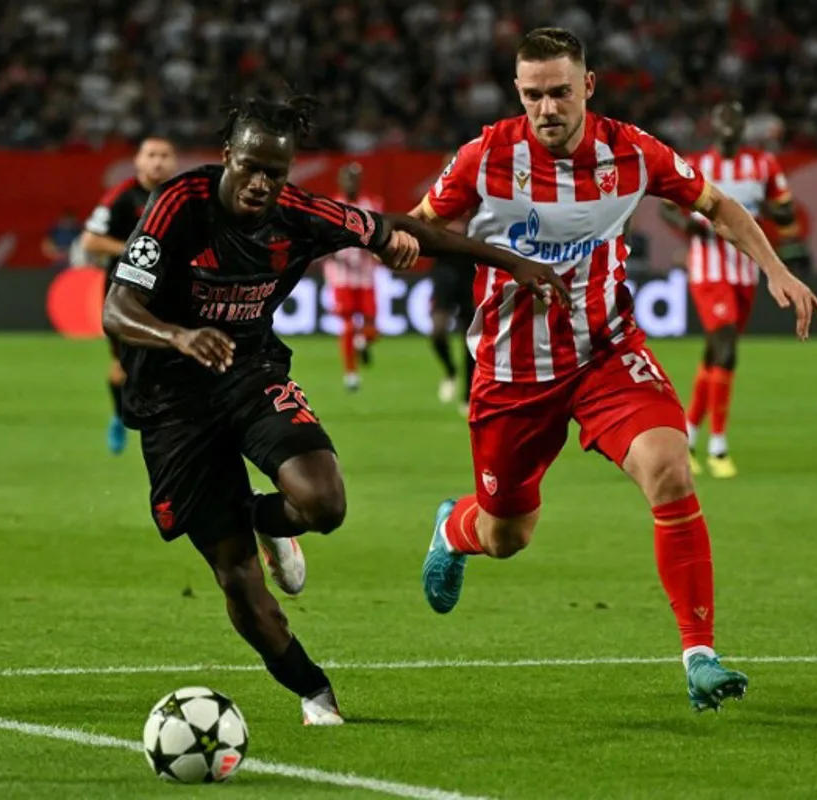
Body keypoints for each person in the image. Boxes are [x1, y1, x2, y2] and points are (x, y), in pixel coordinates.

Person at [102, 94, 564, 725]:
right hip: (170, 401)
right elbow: (117, 308)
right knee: (236, 576)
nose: (263, 184)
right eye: (251, 167)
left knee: (325, 503)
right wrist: (178, 336)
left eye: (277, 172)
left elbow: (407, 228)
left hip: (250, 373)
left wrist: (511, 263)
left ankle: (264, 520)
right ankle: (313, 689)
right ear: (226, 157)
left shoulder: (298, 214)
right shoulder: (180, 204)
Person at [409, 29, 817, 712]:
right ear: (519, 92)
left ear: (588, 86)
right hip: (512, 374)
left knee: (670, 467)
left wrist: (774, 269)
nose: (548, 107)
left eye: (560, 92)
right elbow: (421, 223)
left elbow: (716, 205)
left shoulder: (630, 151)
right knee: (507, 535)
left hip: (606, 351)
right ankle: (456, 526)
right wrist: (395, 242)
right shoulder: (485, 157)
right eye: (534, 93)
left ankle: (700, 655)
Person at [659, 102, 810, 478]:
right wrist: (687, 225)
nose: (729, 126)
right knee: (726, 346)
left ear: (743, 127)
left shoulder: (763, 166)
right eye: (723, 119)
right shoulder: (696, 163)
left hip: (746, 270)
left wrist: (769, 213)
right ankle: (719, 448)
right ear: (714, 126)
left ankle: (688, 438)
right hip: (708, 270)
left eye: (735, 120)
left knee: (715, 354)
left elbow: (785, 211)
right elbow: (665, 206)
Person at [80, 136, 178, 454]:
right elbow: (91, 241)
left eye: (164, 155)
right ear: (137, 161)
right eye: (151, 155)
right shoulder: (122, 197)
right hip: (123, 296)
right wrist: (136, 253)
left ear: (174, 162)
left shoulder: (181, 198)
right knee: (123, 366)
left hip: (169, 293)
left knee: (175, 359)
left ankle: (173, 425)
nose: (158, 162)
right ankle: (118, 417)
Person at [318, 163, 383, 391]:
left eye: (354, 179)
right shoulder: (332, 207)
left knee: (372, 325)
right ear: (340, 181)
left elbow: (382, 237)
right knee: (346, 324)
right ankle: (351, 374)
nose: (351, 183)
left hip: (366, 275)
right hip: (340, 277)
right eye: (347, 178)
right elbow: (322, 241)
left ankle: (362, 342)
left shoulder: (372, 205)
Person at [427, 152, 477, 413]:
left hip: (470, 269)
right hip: (444, 269)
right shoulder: (437, 195)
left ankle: (468, 394)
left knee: (470, 335)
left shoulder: (477, 194)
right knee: (437, 331)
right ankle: (449, 370)